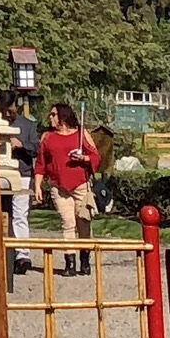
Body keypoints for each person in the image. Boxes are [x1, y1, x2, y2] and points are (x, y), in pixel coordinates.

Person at [39, 99, 101, 276]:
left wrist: (84, 159)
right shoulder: (47, 137)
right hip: (59, 187)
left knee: (83, 221)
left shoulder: (81, 134)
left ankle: (85, 260)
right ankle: (70, 263)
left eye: (53, 114)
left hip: (81, 184)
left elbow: (96, 157)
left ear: (63, 116)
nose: (50, 117)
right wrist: (38, 185)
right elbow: (41, 163)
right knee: (67, 223)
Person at [5, 103, 45, 270]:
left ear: (16, 106)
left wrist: (22, 145)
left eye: (11, 110)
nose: (8, 114)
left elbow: (36, 148)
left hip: (22, 173)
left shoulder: (28, 125)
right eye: (5, 110)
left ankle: (22, 255)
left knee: (20, 214)